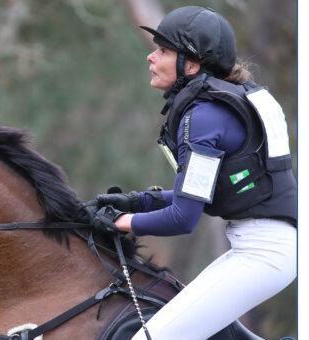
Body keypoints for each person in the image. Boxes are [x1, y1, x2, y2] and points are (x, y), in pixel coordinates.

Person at [93, 6, 297, 340]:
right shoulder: (220, 105)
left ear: (191, 64)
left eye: (163, 50)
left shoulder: (203, 116)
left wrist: (118, 222)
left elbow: (183, 219)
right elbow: (205, 194)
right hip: (265, 248)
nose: (150, 57)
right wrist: (135, 201)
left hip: (264, 254)